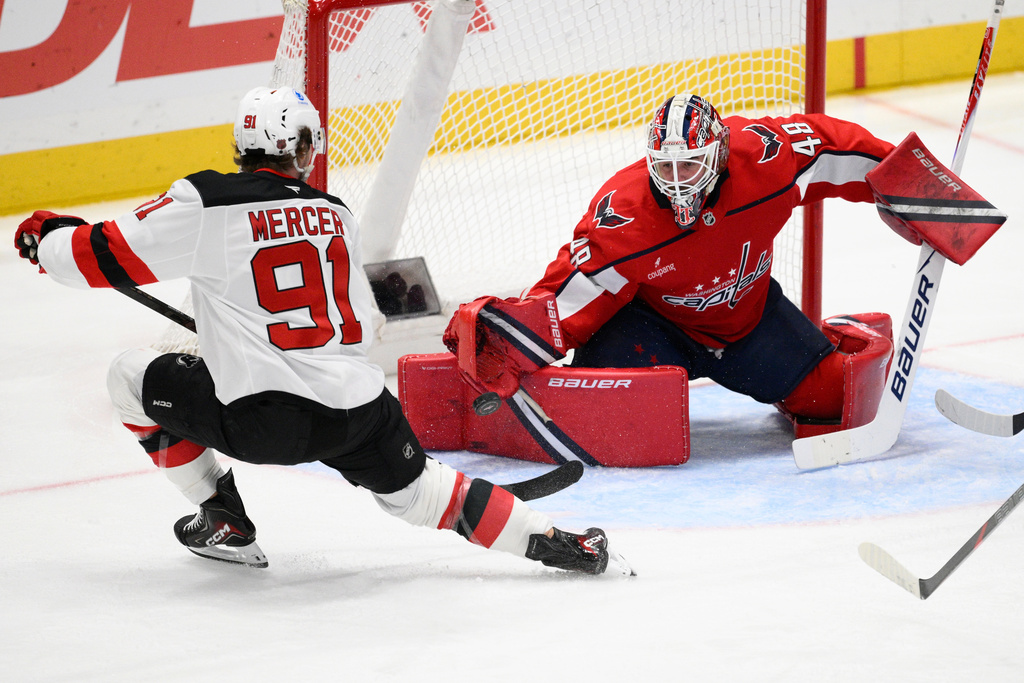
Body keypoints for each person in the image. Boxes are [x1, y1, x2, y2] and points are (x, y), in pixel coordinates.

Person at [13, 86, 632, 576]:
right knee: (425, 495)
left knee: (127, 377)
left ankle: (223, 517)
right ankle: (558, 543)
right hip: (359, 410)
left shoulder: (207, 201)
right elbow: (358, 321)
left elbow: (91, 259)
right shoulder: (336, 213)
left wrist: (49, 237)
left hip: (264, 421)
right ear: (301, 147)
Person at [444, 93, 902, 434]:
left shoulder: (766, 159)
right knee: (599, 422)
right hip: (654, 332)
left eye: (691, 165)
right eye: (667, 167)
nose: (678, 181)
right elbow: (569, 296)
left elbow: (830, 147)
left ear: (720, 153)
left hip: (749, 323)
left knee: (836, 400)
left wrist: (904, 179)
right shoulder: (624, 216)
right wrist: (505, 337)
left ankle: (847, 331)